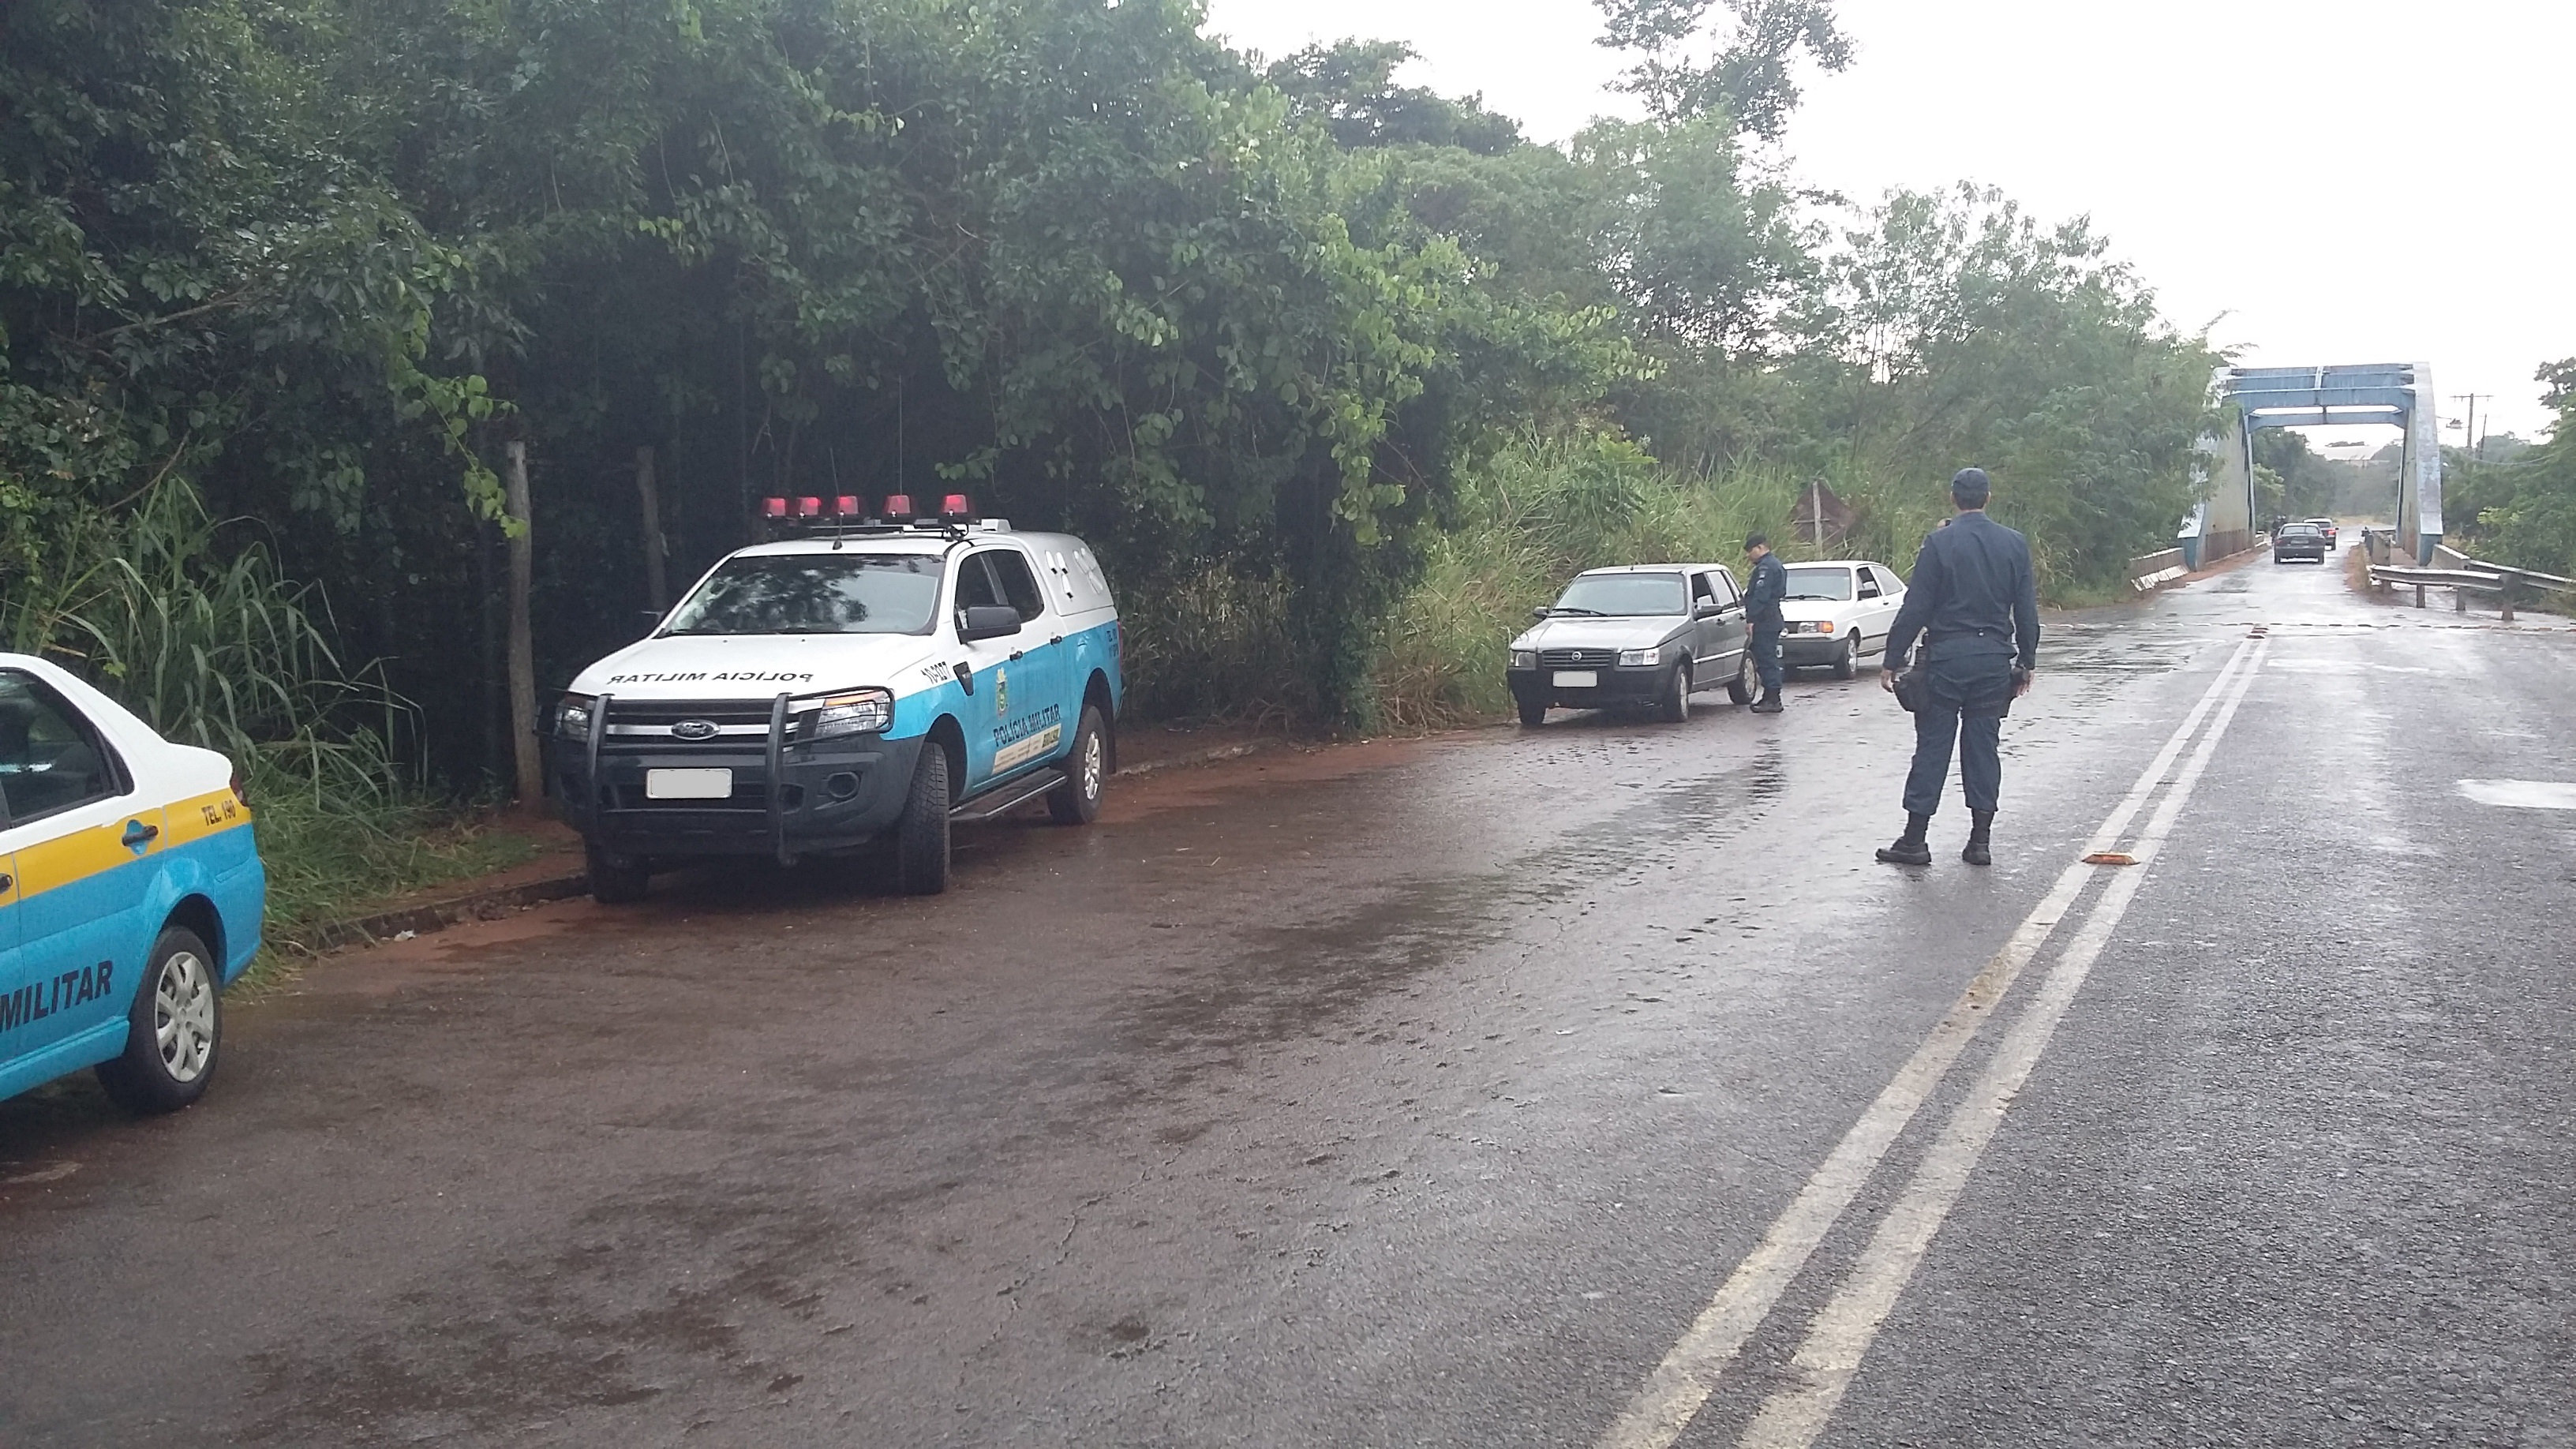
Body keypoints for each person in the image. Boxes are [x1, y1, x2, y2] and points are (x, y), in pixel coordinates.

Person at [1875, 468, 2039, 867]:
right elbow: (2026, 609)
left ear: (1953, 498)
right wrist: (2027, 661)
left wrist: (1892, 659)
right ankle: (1980, 842)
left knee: (1933, 746)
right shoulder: (2014, 544)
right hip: (1993, 661)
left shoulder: (1939, 543)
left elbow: (1916, 606)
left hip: (1946, 659)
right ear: (1988, 498)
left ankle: (1915, 840)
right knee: (1983, 748)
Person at [1741, 534, 1786, 713]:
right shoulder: (1774, 564)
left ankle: (1773, 699)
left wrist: (1751, 619)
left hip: (1765, 619)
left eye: (1750, 551)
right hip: (1771, 617)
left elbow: (1761, 596)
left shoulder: (1766, 568)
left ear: (1760, 548)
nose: (1748, 555)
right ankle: (1770, 696)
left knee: (1767, 659)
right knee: (1766, 658)